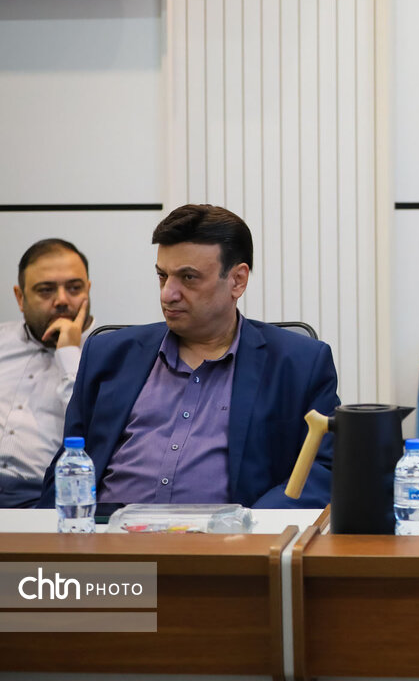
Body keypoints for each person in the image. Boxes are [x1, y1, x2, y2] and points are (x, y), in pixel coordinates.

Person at [39, 204, 337, 508]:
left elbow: (325, 471)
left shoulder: (299, 364)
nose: (167, 294)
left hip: (229, 534)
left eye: (189, 278)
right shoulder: (107, 355)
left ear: (237, 280)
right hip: (106, 531)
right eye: (162, 276)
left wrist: (253, 525)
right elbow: (67, 465)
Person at [0, 239, 94, 507]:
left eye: (74, 288)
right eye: (46, 290)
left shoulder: (111, 352)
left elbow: (92, 432)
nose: (62, 300)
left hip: (48, 496)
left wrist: (69, 353)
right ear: (20, 298)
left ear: (88, 290)